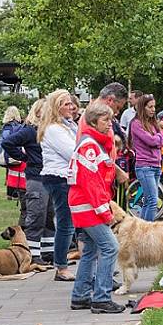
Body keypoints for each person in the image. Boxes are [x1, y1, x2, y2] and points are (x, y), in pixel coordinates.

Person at [67, 102, 124, 313]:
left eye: (110, 120)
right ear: (92, 122)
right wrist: (104, 211)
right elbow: (92, 182)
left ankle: (80, 296)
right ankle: (101, 297)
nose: (110, 124)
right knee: (111, 247)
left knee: (90, 250)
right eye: (105, 120)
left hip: (84, 204)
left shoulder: (91, 142)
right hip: (88, 206)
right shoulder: (90, 145)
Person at [1, 98, 55, 265]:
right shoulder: (30, 131)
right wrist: (24, 157)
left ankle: (48, 252)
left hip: (48, 178)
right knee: (36, 217)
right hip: (36, 179)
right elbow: (8, 142)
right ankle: (33, 253)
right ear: (39, 112)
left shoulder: (48, 130)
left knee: (48, 217)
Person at [38, 89, 78, 281]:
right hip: (59, 178)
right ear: (56, 108)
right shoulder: (54, 129)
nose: (71, 106)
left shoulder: (68, 126)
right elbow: (73, 152)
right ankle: (61, 266)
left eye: (71, 103)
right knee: (66, 223)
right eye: (65, 104)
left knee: (72, 223)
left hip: (68, 178)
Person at [129, 94, 163, 222]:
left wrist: (158, 139)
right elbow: (151, 141)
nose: (153, 109)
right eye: (150, 107)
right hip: (145, 167)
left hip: (156, 165)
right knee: (152, 201)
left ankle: (142, 229)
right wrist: (158, 139)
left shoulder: (153, 123)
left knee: (148, 201)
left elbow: (162, 139)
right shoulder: (136, 124)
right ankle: (148, 229)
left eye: (154, 107)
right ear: (142, 108)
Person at [0, 106, 27, 226]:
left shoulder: (5, 128)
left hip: (9, 161)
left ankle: (11, 193)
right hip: (18, 162)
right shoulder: (18, 127)